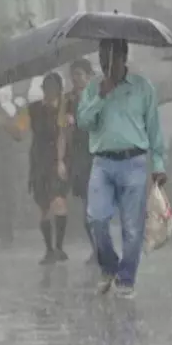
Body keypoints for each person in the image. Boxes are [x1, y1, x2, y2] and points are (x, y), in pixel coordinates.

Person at [77, 39, 167, 298]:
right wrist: (101, 97)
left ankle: (126, 279)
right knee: (97, 219)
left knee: (132, 227)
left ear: (123, 58)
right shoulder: (94, 87)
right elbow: (83, 122)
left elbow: (154, 129)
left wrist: (158, 164)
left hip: (134, 163)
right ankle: (109, 267)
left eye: (112, 58)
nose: (107, 64)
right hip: (102, 163)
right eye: (102, 59)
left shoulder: (142, 88)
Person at [6, 73, 70, 264]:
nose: (49, 92)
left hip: (56, 157)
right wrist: (5, 122)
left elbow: (62, 135)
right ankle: (49, 249)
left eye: (53, 88)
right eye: (46, 87)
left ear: (59, 90)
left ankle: (59, 247)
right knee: (44, 206)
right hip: (39, 159)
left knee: (58, 201)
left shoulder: (64, 108)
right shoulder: (32, 109)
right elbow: (19, 133)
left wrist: (60, 161)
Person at [62, 59, 97, 235]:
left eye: (79, 74)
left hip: (97, 153)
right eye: (73, 75)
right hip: (79, 154)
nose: (75, 78)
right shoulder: (69, 99)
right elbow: (64, 127)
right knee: (86, 201)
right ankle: (97, 249)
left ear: (89, 76)